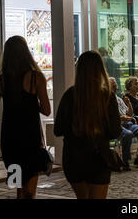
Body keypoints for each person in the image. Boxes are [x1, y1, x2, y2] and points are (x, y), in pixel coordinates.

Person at [0, 36, 51, 199]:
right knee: (29, 191)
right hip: (30, 141)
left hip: (9, 143)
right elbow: (47, 110)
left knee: (17, 186)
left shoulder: (0, 82)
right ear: (26, 53)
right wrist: (32, 105)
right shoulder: (36, 78)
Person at [54, 51, 122, 199]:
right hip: (98, 156)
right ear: (100, 70)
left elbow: (58, 129)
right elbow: (116, 131)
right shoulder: (107, 97)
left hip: (73, 157)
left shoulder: (69, 95)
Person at [109, 77, 138, 169]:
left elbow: (130, 113)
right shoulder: (104, 100)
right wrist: (121, 117)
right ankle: (125, 161)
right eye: (113, 86)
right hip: (116, 126)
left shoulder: (118, 99)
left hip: (128, 124)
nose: (116, 87)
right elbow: (106, 117)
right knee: (128, 134)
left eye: (116, 86)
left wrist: (128, 103)